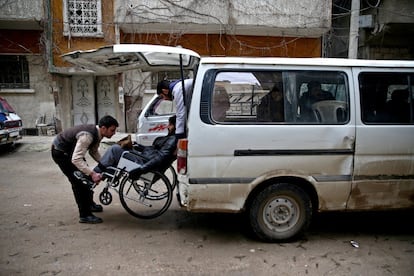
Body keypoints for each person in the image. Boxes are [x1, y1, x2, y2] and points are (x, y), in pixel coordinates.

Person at [51, 115, 119, 224]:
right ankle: (85, 215)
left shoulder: (98, 134)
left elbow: (93, 151)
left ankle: (89, 204)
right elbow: (76, 159)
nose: (114, 133)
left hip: (72, 152)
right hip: (61, 153)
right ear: (103, 128)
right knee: (79, 182)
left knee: (86, 177)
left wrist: (105, 164)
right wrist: (93, 174)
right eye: (112, 130)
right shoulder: (87, 136)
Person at [94, 115, 177, 179]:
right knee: (120, 148)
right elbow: (153, 150)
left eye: (170, 125)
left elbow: (160, 158)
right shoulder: (171, 138)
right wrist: (137, 145)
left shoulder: (172, 140)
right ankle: (107, 173)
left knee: (114, 149)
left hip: (144, 162)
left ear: (175, 126)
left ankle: (95, 173)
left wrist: (141, 170)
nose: (168, 127)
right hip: (145, 158)